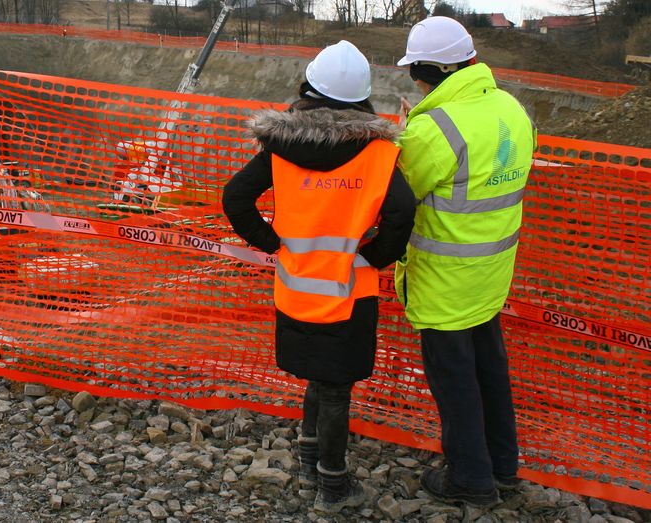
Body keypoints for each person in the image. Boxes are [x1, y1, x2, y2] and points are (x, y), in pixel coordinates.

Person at [222, 40, 415, 514]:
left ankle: (310, 459)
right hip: (349, 295)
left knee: (318, 379)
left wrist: (272, 244)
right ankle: (333, 485)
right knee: (335, 388)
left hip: (294, 290)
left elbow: (235, 198)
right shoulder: (378, 154)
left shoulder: (280, 148)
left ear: (308, 89)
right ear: (362, 98)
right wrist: (375, 258)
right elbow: (401, 214)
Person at [394, 16, 536, 507]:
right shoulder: (511, 108)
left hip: (444, 282)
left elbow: (400, 194)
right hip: (491, 273)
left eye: (415, 71)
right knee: (490, 371)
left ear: (431, 71)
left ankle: (471, 480)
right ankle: (503, 467)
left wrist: (406, 136)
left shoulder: (433, 128)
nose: (415, 80)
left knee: (454, 383)